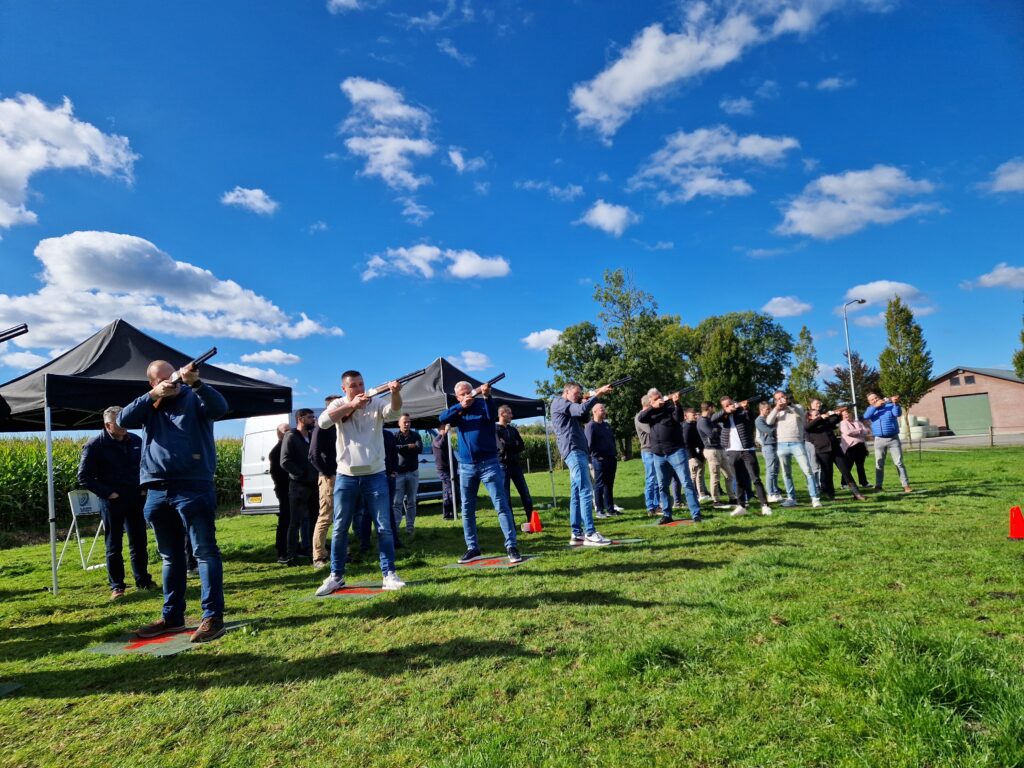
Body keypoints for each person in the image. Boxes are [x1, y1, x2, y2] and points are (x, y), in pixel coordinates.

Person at [117, 359, 228, 643]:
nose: (172, 382)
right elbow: (123, 420)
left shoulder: (195, 396)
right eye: (163, 379)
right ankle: (172, 616)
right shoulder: (149, 404)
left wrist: (196, 382)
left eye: (173, 376)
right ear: (153, 383)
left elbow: (220, 408)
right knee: (170, 557)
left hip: (194, 485)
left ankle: (213, 616)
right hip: (156, 488)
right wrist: (154, 396)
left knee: (204, 552)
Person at [314, 371, 406, 596]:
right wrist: (352, 406)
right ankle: (336, 576)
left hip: (376, 473)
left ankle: (389, 574)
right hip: (345, 475)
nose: (358, 388)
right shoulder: (339, 403)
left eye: (361, 384)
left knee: (383, 527)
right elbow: (324, 422)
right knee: (340, 528)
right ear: (344, 388)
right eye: (353, 385)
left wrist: (395, 393)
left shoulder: (375, 402)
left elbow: (394, 411)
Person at [77, 406, 156, 600]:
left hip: (136, 499)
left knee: (139, 542)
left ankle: (143, 580)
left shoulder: (136, 441)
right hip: (112, 502)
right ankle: (117, 587)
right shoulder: (95, 445)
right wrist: (109, 493)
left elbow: (147, 464)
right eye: (119, 423)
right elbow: (84, 476)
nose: (124, 426)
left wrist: (144, 487)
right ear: (108, 425)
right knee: (113, 545)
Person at [439, 381, 523, 563]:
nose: (466, 395)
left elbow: (492, 415)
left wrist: (487, 396)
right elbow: (442, 418)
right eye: (462, 393)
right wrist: (460, 406)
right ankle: (472, 547)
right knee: (467, 508)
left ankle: (511, 546)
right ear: (457, 396)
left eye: (469, 391)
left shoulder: (483, 404)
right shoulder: (457, 410)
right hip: (466, 466)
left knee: (501, 505)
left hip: (489, 463)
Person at [551, 381, 614, 546]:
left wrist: (586, 398)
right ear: (566, 391)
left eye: (580, 394)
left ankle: (577, 533)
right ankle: (590, 533)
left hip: (577, 451)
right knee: (586, 491)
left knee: (576, 493)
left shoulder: (568, 404)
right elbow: (580, 410)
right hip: (574, 451)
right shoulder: (560, 402)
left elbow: (583, 415)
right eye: (577, 393)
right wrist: (597, 395)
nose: (579, 396)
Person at [637, 389, 703, 524]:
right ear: (651, 401)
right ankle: (667, 514)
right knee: (662, 486)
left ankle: (695, 514)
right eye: (655, 399)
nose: (659, 400)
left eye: (660, 397)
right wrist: (653, 407)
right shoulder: (649, 412)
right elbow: (641, 418)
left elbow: (679, 418)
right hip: (658, 454)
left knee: (686, 482)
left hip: (676, 451)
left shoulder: (670, 407)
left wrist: (677, 404)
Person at [711, 397, 772, 517]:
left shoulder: (742, 412)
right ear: (724, 407)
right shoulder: (724, 416)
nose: (729, 406)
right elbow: (713, 418)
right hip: (732, 451)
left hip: (747, 450)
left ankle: (765, 505)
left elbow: (750, 418)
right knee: (738, 480)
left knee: (755, 479)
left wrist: (746, 408)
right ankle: (741, 506)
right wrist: (727, 411)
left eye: (730, 403)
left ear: (734, 402)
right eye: (726, 405)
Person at [765, 391, 821, 509]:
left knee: (807, 471)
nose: (780, 400)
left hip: (797, 443)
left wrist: (789, 405)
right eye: (777, 399)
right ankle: (791, 498)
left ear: (786, 397)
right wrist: (776, 408)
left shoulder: (797, 407)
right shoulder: (776, 411)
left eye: (782, 397)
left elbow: (801, 414)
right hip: (781, 445)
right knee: (786, 473)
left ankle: (815, 498)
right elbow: (768, 422)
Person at [281, 409, 319, 565]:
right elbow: (285, 461)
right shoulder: (291, 436)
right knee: (295, 521)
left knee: (314, 520)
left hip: (314, 484)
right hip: (298, 485)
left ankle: (312, 551)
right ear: (301, 419)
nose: (313, 420)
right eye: (310, 417)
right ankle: (291, 554)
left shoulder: (311, 436)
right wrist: (301, 473)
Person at [805, 404, 866, 501]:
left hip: (836, 450)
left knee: (846, 471)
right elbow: (807, 427)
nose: (818, 415)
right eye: (815, 414)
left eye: (818, 414)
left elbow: (834, 420)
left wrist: (837, 414)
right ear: (810, 417)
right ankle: (831, 496)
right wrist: (820, 417)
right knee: (828, 473)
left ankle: (857, 494)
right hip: (822, 451)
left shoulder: (825, 422)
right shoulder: (810, 426)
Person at [308, 395, 339, 570]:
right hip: (328, 477)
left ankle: (339, 552)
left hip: (342, 474)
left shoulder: (339, 425)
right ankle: (318, 556)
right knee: (325, 517)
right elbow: (312, 455)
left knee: (341, 516)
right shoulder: (322, 426)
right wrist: (327, 473)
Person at [863, 392, 912, 492]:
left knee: (899, 463)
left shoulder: (889, 406)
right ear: (869, 402)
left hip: (893, 439)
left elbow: (897, 413)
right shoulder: (870, 409)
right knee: (879, 463)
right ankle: (878, 486)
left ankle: (906, 485)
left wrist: (895, 403)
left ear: (879, 397)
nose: (875, 400)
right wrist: (875, 406)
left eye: (876, 397)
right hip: (879, 440)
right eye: (872, 399)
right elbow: (866, 416)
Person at [496, 405, 535, 519]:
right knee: (506, 496)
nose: (512, 416)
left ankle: (532, 521)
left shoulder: (513, 429)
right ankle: (510, 524)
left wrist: (510, 445)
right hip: (502, 466)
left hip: (515, 465)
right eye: (510, 413)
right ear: (503, 414)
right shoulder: (495, 430)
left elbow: (521, 445)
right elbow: (501, 447)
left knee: (525, 494)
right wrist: (514, 444)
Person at [697, 401, 735, 506]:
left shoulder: (711, 420)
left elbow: (718, 430)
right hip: (711, 450)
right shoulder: (702, 421)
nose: (714, 409)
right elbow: (712, 434)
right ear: (709, 408)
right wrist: (718, 430)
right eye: (713, 408)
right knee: (715, 476)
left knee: (729, 475)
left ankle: (732, 497)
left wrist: (717, 430)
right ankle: (716, 500)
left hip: (720, 448)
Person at [585, 403, 618, 519]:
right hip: (598, 459)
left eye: (604, 409)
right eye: (601, 410)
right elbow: (588, 444)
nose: (604, 411)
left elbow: (612, 441)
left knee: (609, 485)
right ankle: (599, 510)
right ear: (594, 412)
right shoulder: (591, 426)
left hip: (611, 458)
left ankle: (610, 509)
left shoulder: (607, 425)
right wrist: (590, 459)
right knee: (599, 484)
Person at [393, 414, 422, 539]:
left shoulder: (415, 435)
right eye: (405, 422)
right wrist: (407, 446)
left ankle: (410, 528)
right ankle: (396, 529)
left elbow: (419, 449)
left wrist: (403, 449)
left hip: (413, 473)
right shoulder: (394, 436)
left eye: (409, 422)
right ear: (399, 424)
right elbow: (393, 449)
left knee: (411, 502)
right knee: (397, 503)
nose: (407, 424)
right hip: (398, 474)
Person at [634, 395, 662, 517]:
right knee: (651, 479)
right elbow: (652, 429)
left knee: (657, 480)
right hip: (648, 450)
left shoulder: (649, 415)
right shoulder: (640, 417)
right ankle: (650, 506)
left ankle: (656, 506)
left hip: (655, 450)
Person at [268, 423, 291, 564]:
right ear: (279, 434)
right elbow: (277, 474)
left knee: (294, 520)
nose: (289, 432)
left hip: (291, 488)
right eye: (286, 431)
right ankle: (282, 551)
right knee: (285, 519)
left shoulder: (287, 447)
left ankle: (291, 546)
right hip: (284, 489)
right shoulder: (277, 451)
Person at [754, 401, 783, 503]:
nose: (769, 411)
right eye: (767, 409)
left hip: (775, 444)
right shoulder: (759, 420)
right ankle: (770, 493)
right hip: (768, 446)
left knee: (775, 469)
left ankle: (775, 490)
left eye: (770, 409)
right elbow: (770, 430)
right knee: (770, 470)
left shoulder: (770, 419)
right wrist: (776, 428)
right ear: (761, 410)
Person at [682, 408, 710, 503]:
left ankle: (701, 494)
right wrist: (693, 455)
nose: (695, 416)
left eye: (695, 414)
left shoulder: (695, 425)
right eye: (692, 414)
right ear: (686, 416)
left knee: (700, 476)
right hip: (693, 456)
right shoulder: (686, 427)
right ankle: (692, 496)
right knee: (693, 476)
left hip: (700, 455)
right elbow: (686, 443)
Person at [839, 408, 870, 487]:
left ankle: (864, 483)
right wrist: (859, 430)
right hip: (850, 447)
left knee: (860, 466)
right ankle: (844, 483)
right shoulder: (843, 423)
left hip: (861, 446)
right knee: (848, 466)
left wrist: (857, 431)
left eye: (847, 414)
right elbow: (848, 432)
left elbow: (866, 431)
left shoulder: (857, 422)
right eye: (844, 414)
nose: (846, 415)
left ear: (851, 414)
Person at [432, 424, 456, 520]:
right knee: (450, 491)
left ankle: (450, 513)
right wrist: (445, 433)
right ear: (440, 429)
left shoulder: (446, 439)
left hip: (451, 469)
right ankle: (448, 513)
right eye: (443, 428)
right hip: (443, 470)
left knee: (450, 492)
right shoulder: (436, 440)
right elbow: (440, 445)